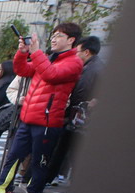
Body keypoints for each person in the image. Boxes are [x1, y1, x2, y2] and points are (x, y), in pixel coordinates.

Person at [0, 23, 84, 193]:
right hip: (28, 117)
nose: (53, 38)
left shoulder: (73, 62)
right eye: (53, 35)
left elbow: (51, 75)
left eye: (59, 35)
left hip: (48, 121)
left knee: (39, 161)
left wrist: (36, 52)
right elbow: (22, 70)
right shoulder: (47, 58)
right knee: (13, 156)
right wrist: (22, 52)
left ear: (71, 40)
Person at [46, 35, 105, 183]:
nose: (75, 54)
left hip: (81, 118)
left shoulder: (94, 69)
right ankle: (47, 179)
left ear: (87, 52)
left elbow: (85, 93)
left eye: (78, 51)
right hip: (77, 116)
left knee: (70, 152)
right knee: (64, 150)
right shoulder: (92, 67)